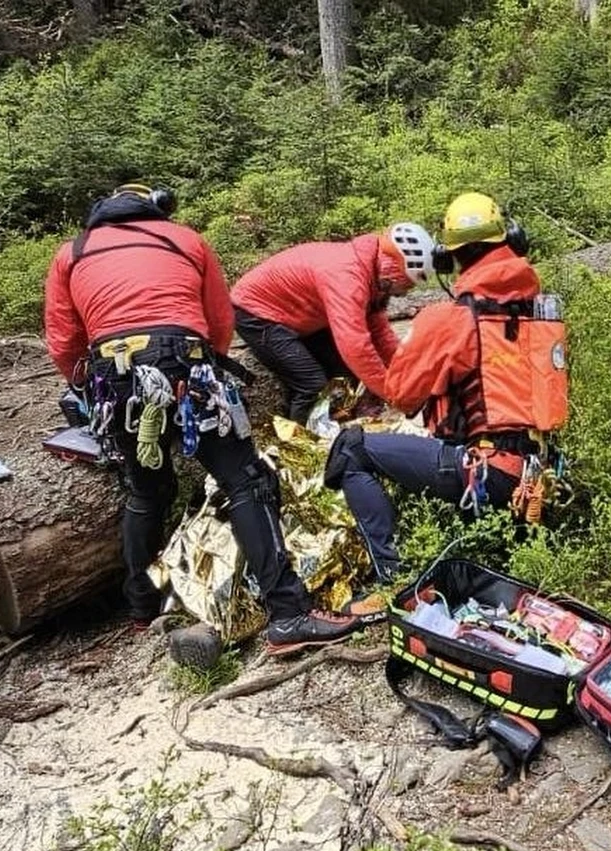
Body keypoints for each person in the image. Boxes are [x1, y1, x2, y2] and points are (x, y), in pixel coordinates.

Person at [43, 183, 371, 655]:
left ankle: (141, 607)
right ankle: (288, 614)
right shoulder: (186, 239)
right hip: (187, 362)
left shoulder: (72, 252)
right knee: (247, 481)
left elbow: (63, 341)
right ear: (155, 208)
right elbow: (219, 320)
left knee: (146, 491)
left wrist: (87, 388)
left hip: (115, 375)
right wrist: (201, 365)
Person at [325, 192, 569, 581]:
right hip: (535, 475)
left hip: (484, 473)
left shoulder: (450, 318)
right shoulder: (537, 311)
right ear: (511, 240)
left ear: (447, 257)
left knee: (351, 449)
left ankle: (393, 579)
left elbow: (402, 394)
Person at [230, 224, 436, 424]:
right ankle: (302, 440)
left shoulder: (372, 270)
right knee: (312, 384)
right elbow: (356, 347)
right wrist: (394, 395)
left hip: (301, 312)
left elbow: (380, 333)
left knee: (344, 370)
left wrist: (414, 376)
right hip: (257, 313)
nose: (403, 293)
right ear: (392, 268)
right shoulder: (347, 278)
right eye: (403, 285)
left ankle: (346, 421)